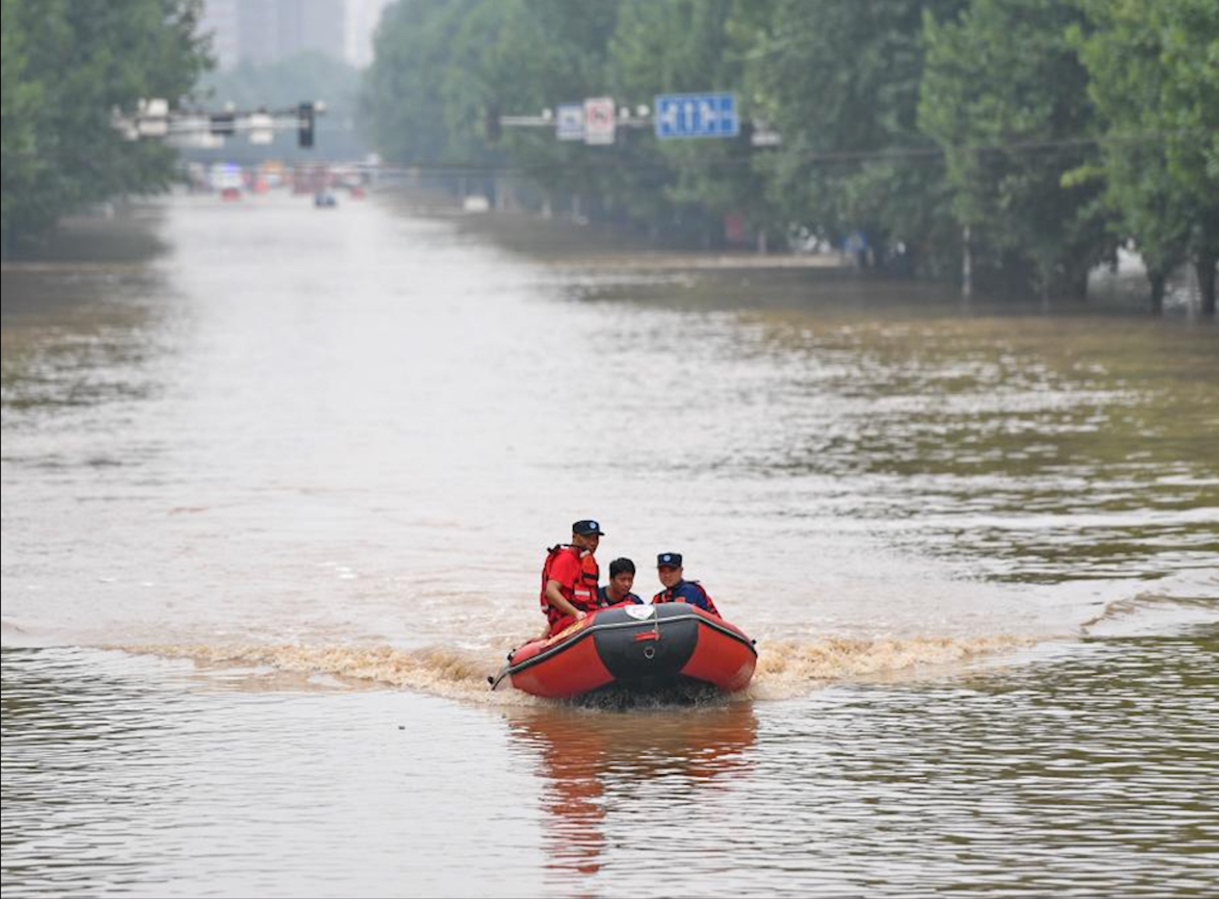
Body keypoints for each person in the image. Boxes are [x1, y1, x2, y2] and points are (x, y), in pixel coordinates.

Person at [538, 519, 605, 638]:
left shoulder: (586, 563)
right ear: (575, 537)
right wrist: (576, 613)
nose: (593, 542)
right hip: (570, 623)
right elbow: (551, 591)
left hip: (581, 621)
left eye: (595, 538)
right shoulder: (567, 559)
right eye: (588, 538)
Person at [651, 552, 720, 616]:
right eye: (662, 571)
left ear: (681, 571)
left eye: (672, 571)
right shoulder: (659, 597)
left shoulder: (690, 590)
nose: (667, 575)